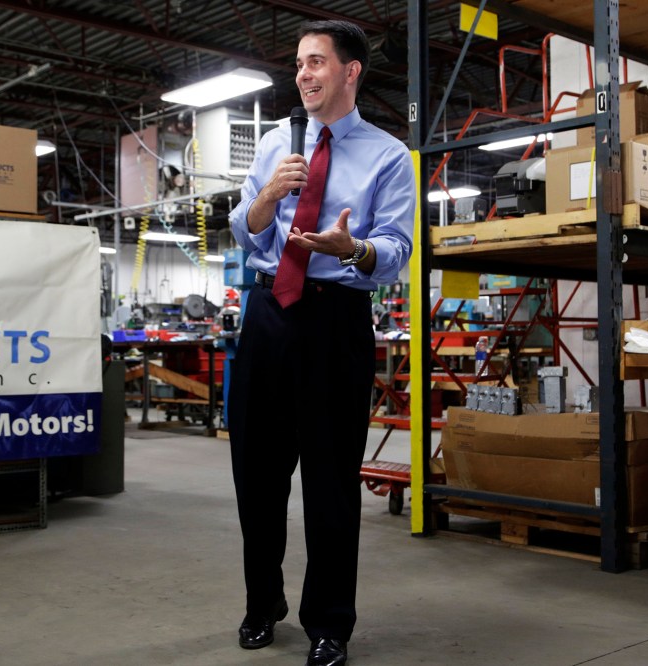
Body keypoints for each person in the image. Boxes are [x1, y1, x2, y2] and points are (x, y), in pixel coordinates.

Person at [227, 18, 416, 666]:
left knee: (331, 484)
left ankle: (329, 624)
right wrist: (267, 196)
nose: (303, 74)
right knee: (257, 474)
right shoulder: (274, 143)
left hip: (336, 321)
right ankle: (262, 603)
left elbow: (395, 250)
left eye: (316, 62)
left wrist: (352, 248)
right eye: (299, 63)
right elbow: (244, 229)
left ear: (349, 71)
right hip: (267, 317)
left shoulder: (389, 156)